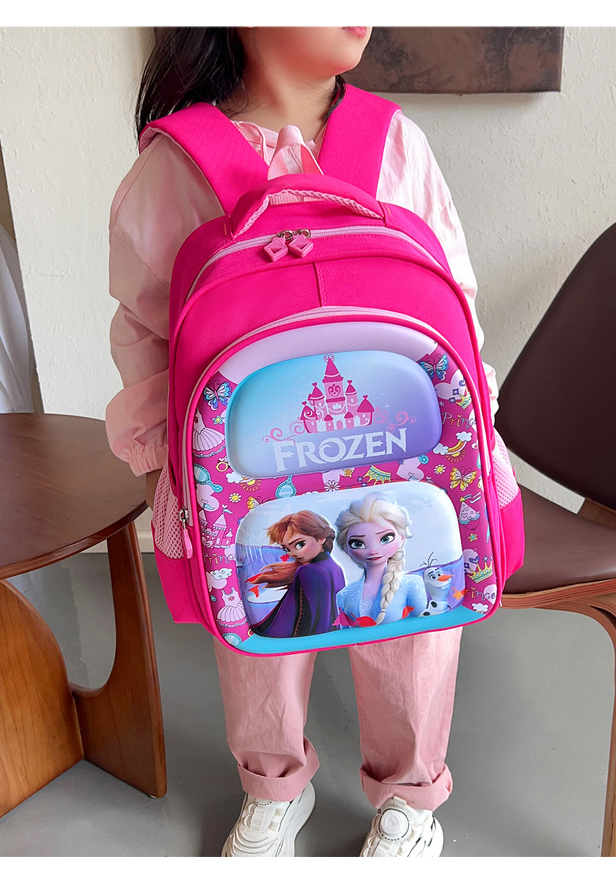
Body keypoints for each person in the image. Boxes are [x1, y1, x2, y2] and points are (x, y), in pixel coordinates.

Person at [106, 26, 499, 858]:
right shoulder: (176, 163)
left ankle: (410, 795)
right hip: (247, 461)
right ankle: (274, 782)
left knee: (410, 618)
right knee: (261, 611)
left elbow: (455, 299)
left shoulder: (394, 140)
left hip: (403, 443)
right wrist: (156, 458)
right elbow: (147, 330)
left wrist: (476, 434)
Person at [334, 493, 427, 627]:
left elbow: (423, 626)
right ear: (346, 548)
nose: (373, 550)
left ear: (401, 538)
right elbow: (345, 633)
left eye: (385, 539)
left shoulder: (411, 584)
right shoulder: (344, 595)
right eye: (358, 543)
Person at [247, 510, 344, 638]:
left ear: (321, 538)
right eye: (287, 549)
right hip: (330, 634)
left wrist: (297, 640)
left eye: (300, 545)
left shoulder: (307, 571)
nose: (293, 553)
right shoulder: (337, 569)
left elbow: (303, 614)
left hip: (298, 637)